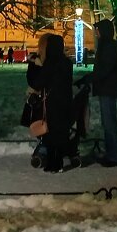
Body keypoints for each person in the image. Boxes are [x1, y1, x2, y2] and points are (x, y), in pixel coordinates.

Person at [35, 33, 73, 173]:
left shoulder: (50, 63)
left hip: (52, 103)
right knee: (61, 133)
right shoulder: (66, 63)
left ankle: (52, 163)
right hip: (65, 102)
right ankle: (59, 163)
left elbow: (39, 82)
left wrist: (37, 66)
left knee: (50, 134)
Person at [91, 20, 117, 167]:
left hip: (108, 89)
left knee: (109, 122)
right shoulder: (107, 44)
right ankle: (112, 153)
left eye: (97, 30)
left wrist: (92, 78)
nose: (96, 33)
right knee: (108, 122)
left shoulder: (108, 46)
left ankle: (114, 156)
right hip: (107, 88)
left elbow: (105, 69)